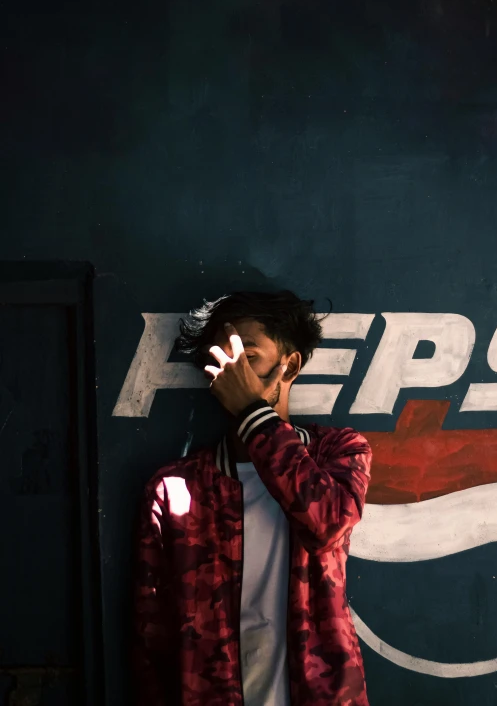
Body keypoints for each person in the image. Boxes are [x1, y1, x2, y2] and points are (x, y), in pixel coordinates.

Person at [132, 290, 372, 706]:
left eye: (248, 358)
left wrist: (252, 412)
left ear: (289, 365)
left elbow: (328, 523)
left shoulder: (337, 452)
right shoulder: (174, 488)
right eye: (221, 360)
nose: (231, 373)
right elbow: (151, 638)